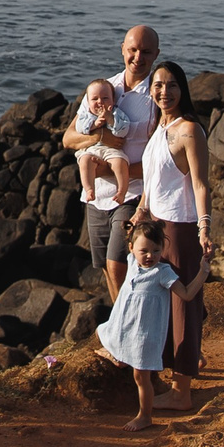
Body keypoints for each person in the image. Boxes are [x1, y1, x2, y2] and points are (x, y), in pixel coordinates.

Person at [131, 58, 215, 381]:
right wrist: (141, 210)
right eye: (158, 85)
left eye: (172, 85)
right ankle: (190, 357)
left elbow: (200, 183)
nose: (165, 92)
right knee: (162, 300)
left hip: (180, 228)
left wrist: (204, 225)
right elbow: (152, 181)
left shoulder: (189, 130)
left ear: (183, 89)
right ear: (151, 90)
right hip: (156, 224)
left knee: (183, 305)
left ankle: (182, 388)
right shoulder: (160, 128)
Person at [66, 24, 158, 300]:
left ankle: (127, 329)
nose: (138, 57)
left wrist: (120, 173)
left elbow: (162, 155)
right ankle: (121, 327)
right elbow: (69, 139)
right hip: (96, 195)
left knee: (118, 262)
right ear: (122, 49)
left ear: (156, 55)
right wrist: (102, 138)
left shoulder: (156, 95)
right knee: (106, 266)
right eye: (132, 50)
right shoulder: (104, 89)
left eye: (145, 52)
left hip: (132, 193)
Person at [95, 221, 209, 426]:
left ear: (163, 250)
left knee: (141, 377)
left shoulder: (162, 273)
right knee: (101, 332)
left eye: (156, 251)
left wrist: (203, 271)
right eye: (144, 251)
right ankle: (119, 354)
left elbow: (187, 294)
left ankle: (144, 416)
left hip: (145, 336)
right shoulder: (131, 261)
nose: (150, 256)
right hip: (124, 327)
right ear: (131, 248)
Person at [68, 78, 134, 213]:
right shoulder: (86, 115)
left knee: (120, 162)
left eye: (105, 98)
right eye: (95, 99)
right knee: (85, 161)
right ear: (88, 102)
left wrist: (110, 119)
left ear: (113, 100)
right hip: (91, 149)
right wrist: (95, 125)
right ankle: (89, 189)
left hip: (112, 150)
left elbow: (124, 130)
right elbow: (80, 128)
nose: (100, 102)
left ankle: (121, 191)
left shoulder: (116, 113)